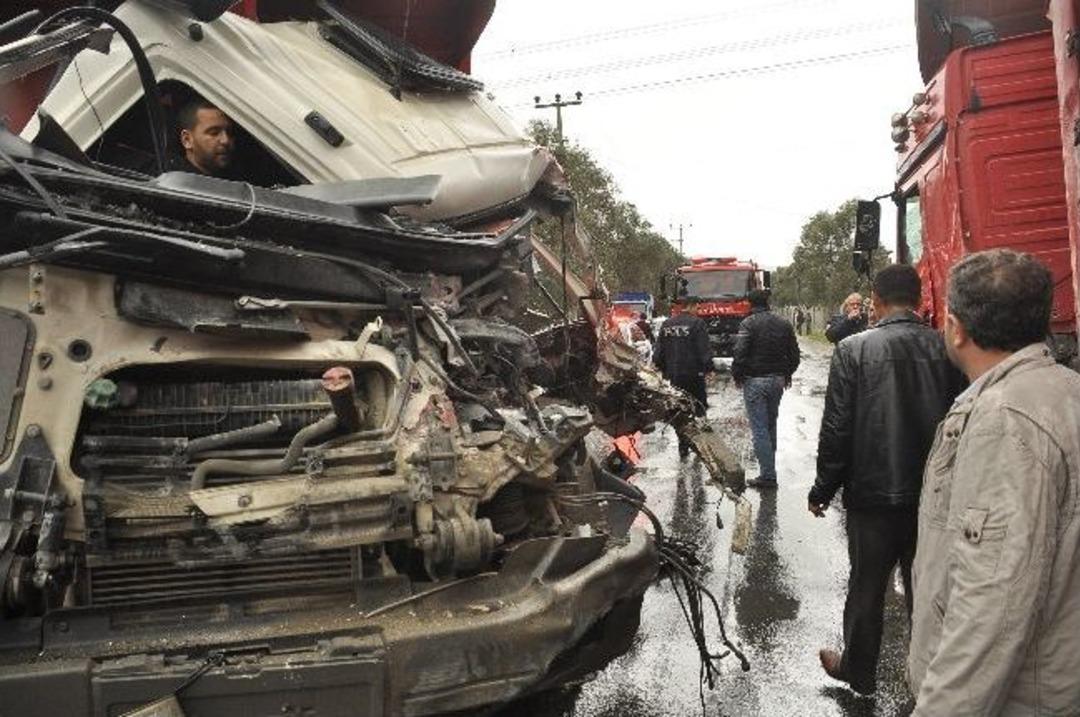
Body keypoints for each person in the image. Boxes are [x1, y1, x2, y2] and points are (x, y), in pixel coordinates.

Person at [908, 250, 1080, 716]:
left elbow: (991, 600)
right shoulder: (1063, 388)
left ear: (957, 328)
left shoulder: (1004, 420)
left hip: (1019, 699)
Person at [810, 264, 962, 696]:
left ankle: (858, 673)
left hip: (871, 496)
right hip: (932, 496)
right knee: (928, 590)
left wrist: (823, 488)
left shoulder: (853, 350)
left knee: (867, 587)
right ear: (918, 301)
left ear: (874, 302)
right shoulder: (946, 348)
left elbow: (837, 428)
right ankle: (930, 683)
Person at [731, 289, 800, 488]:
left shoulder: (748, 324)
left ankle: (768, 476)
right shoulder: (784, 324)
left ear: (750, 304)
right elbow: (794, 355)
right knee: (770, 426)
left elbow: (740, 353)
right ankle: (768, 470)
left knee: (760, 428)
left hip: (755, 381)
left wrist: (737, 374)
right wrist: (786, 374)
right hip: (777, 381)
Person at [653, 310, 711, 458]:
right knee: (698, 408)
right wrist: (708, 368)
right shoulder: (697, 323)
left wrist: (660, 368)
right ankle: (699, 446)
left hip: (674, 375)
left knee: (680, 410)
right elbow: (703, 348)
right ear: (693, 305)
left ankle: (683, 445)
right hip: (694, 374)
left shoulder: (667, 325)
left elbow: (659, 351)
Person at [172, 98, 235, 177]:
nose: (226, 140)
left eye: (230, 133)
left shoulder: (235, 178)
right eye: (214, 133)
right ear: (187, 140)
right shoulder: (176, 183)